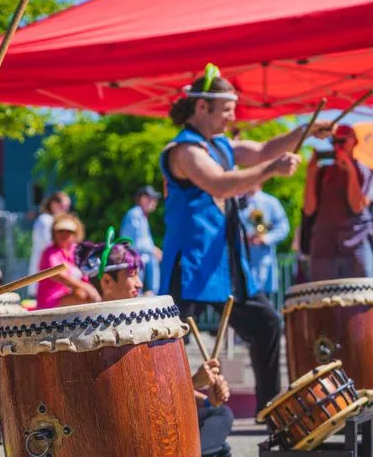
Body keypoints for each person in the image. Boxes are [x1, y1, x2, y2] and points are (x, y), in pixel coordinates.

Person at [159, 63, 333, 412]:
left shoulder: (221, 145)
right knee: (167, 345)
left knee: (267, 325)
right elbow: (220, 184)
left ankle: (271, 413)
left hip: (226, 263)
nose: (231, 118)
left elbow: (264, 148)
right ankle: (166, 413)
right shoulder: (185, 151)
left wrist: (306, 129)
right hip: (190, 263)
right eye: (226, 110)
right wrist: (271, 170)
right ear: (202, 107)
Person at [82, 239, 234, 457]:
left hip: (153, 416)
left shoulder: (134, 323)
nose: (139, 284)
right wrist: (193, 382)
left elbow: (155, 388)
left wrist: (209, 400)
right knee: (218, 445)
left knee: (220, 414)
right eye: (131, 276)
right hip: (126, 428)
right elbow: (136, 402)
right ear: (106, 281)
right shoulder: (90, 330)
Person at [304, 124, 373, 281]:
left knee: (362, 298)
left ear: (354, 142)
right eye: (334, 142)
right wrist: (311, 173)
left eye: (342, 141)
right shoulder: (323, 172)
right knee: (323, 299)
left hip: (355, 243)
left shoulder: (365, 171)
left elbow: (357, 206)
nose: (337, 146)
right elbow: (309, 209)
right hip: (324, 245)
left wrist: (349, 169)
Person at [36, 214, 101, 308]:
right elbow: (59, 276)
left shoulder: (76, 251)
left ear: (76, 234)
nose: (64, 234)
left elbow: (86, 275)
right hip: (51, 301)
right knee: (84, 296)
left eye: (69, 231)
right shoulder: (49, 253)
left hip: (70, 296)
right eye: (60, 230)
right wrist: (88, 288)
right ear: (54, 233)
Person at [239, 186, 290, 295]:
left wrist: (265, 238)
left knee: (261, 295)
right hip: (242, 257)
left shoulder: (271, 202)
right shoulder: (236, 201)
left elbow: (283, 228)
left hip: (262, 259)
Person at [120, 185, 163, 294]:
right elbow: (130, 243)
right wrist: (152, 250)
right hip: (136, 263)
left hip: (142, 262)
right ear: (143, 199)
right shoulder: (135, 214)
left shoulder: (141, 215)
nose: (155, 202)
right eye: (153, 198)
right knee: (138, 294)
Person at [27, 191, 70, 296]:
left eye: (67, 207)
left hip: (52, 273)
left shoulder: (51, 221)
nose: (66, 210)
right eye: (63, 206)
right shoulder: (45, 220)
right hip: (44, 272)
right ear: (53, 204)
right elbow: (50, 244)